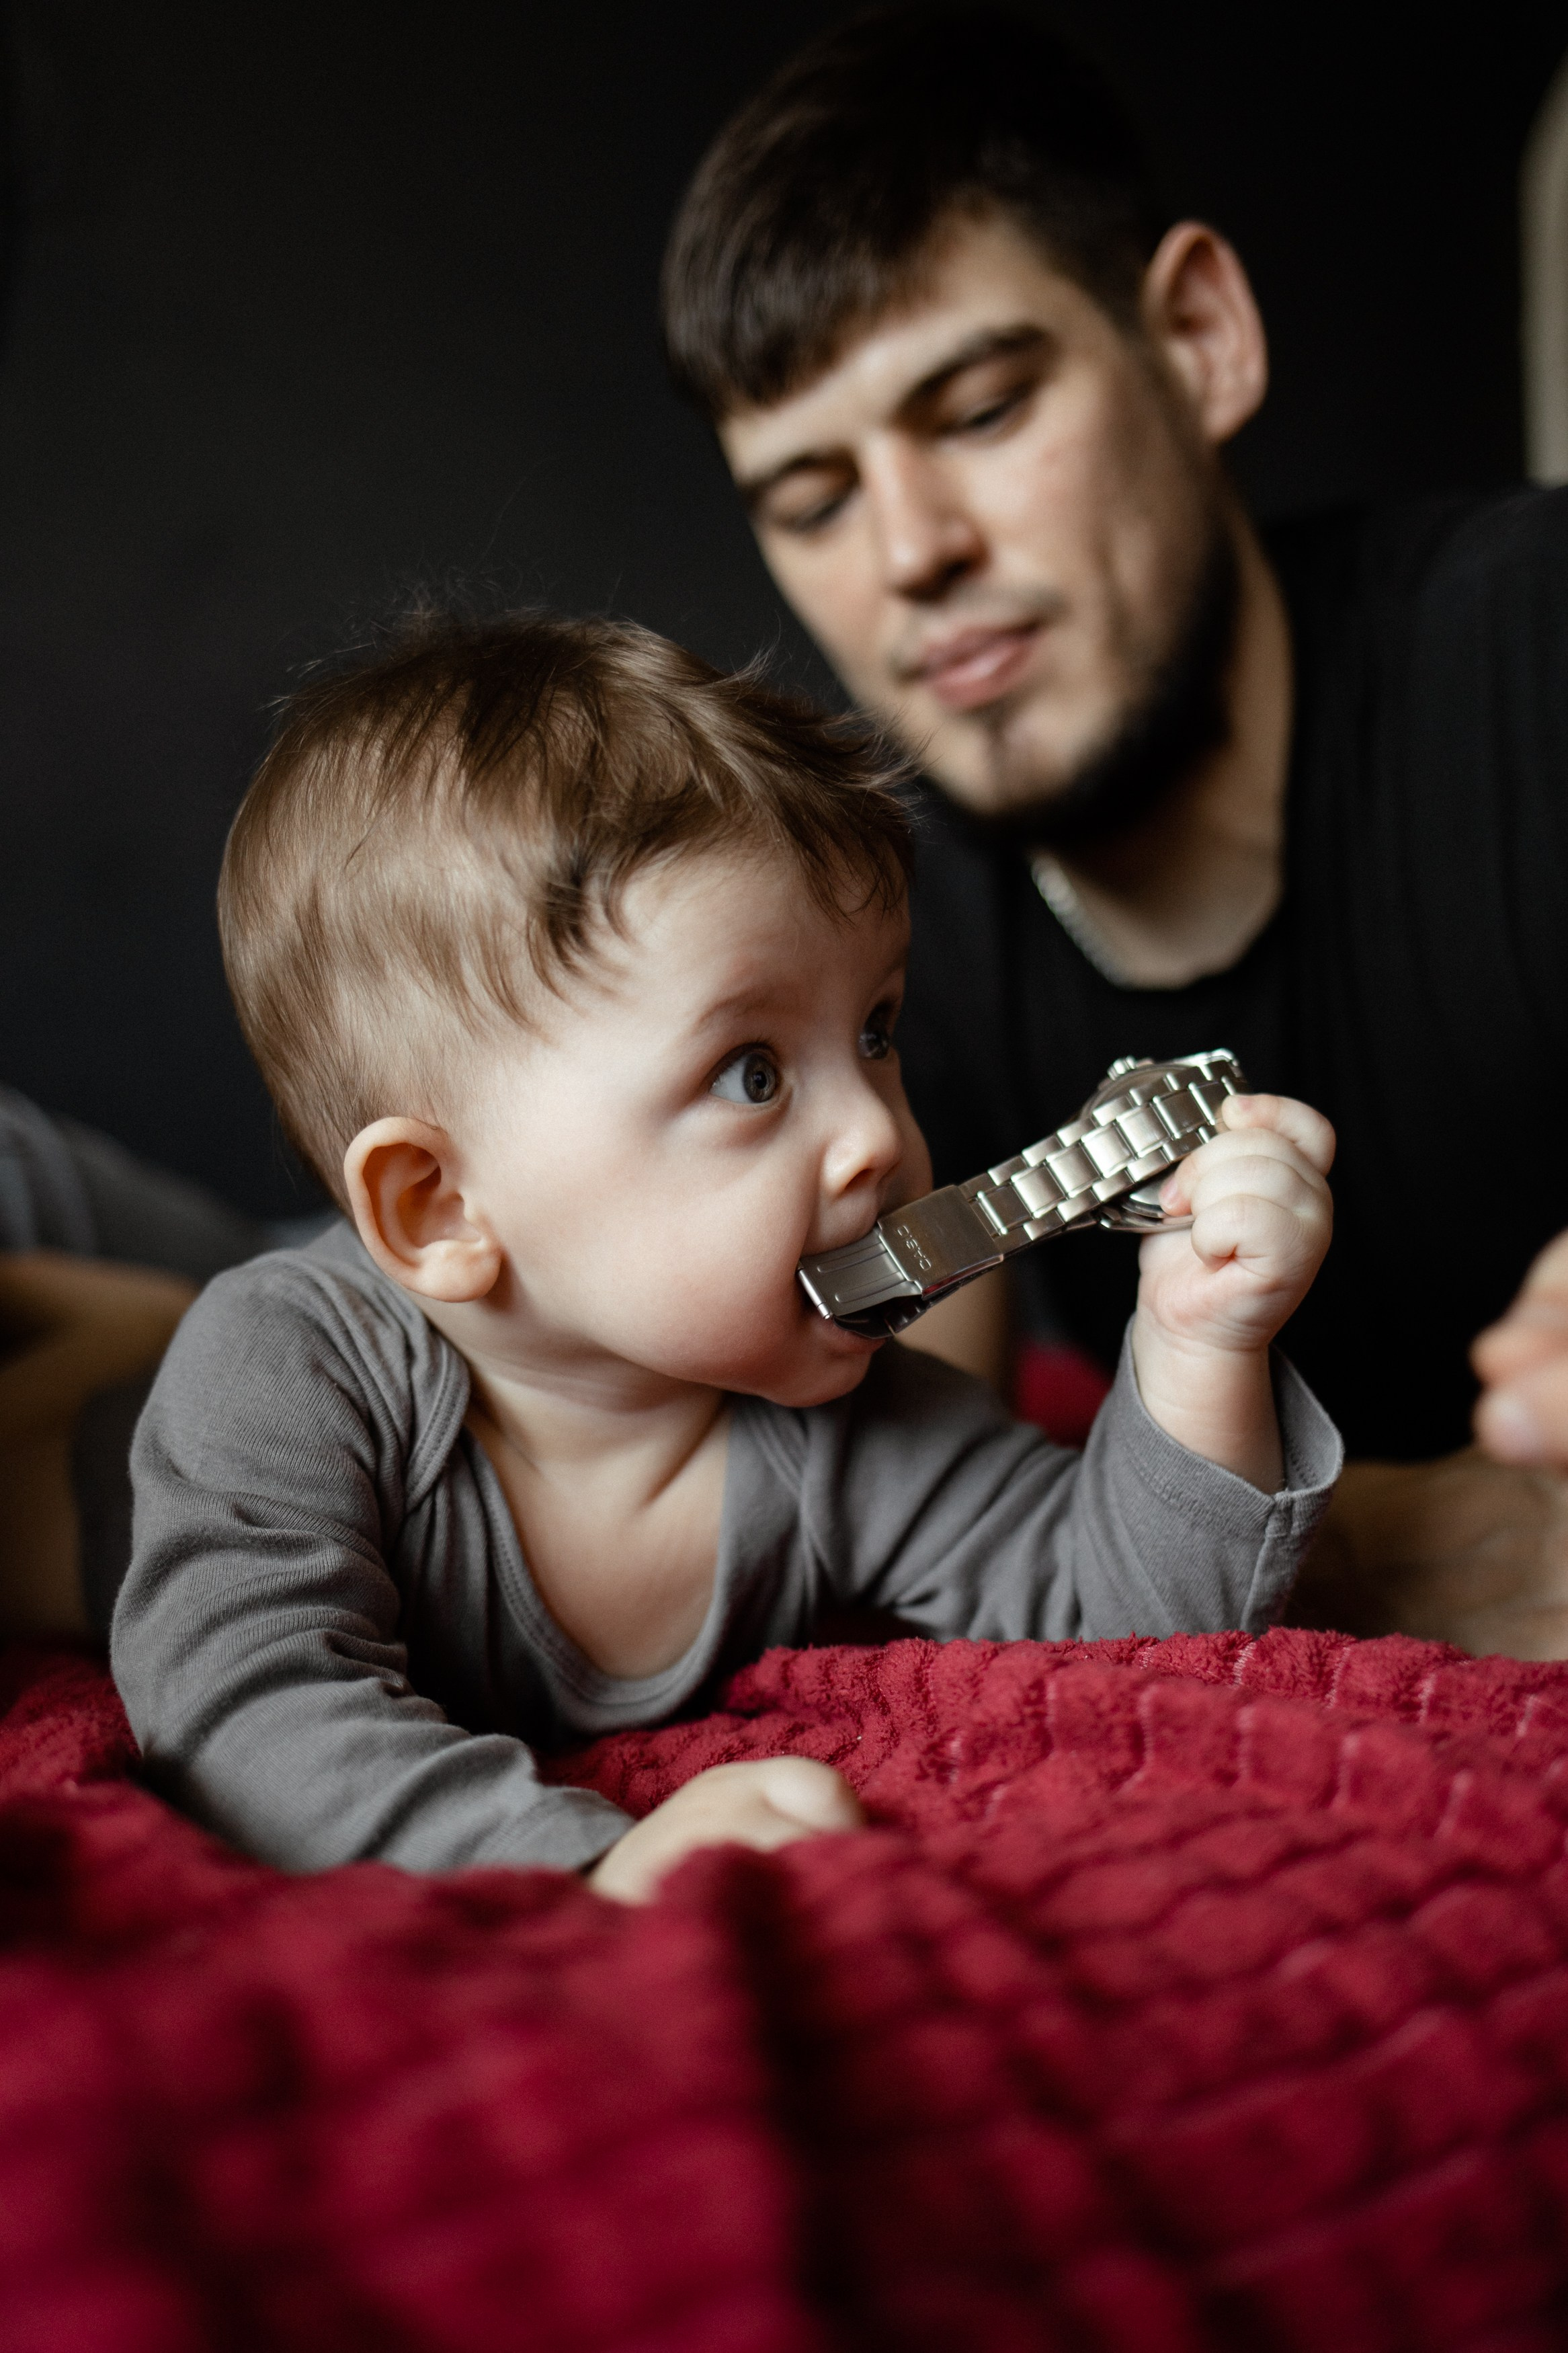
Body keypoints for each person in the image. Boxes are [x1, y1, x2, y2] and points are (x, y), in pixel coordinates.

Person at [110, 611, 1339, 1901]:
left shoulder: (845, 1421)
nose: (875, 1133)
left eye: (874, 1030)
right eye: (750, 1073)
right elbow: (241, 1708)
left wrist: (1200, 1344)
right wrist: (587, 1866)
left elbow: (1128, 1617)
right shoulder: (284, 1369)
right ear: (439, 1209)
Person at [659, 3, 1568, 1657]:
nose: (913, 551)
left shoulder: (1534, 644)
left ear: (1201, 337)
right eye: (815, 499)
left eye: (987, 409)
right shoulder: (868, 951)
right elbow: (895, 1513)